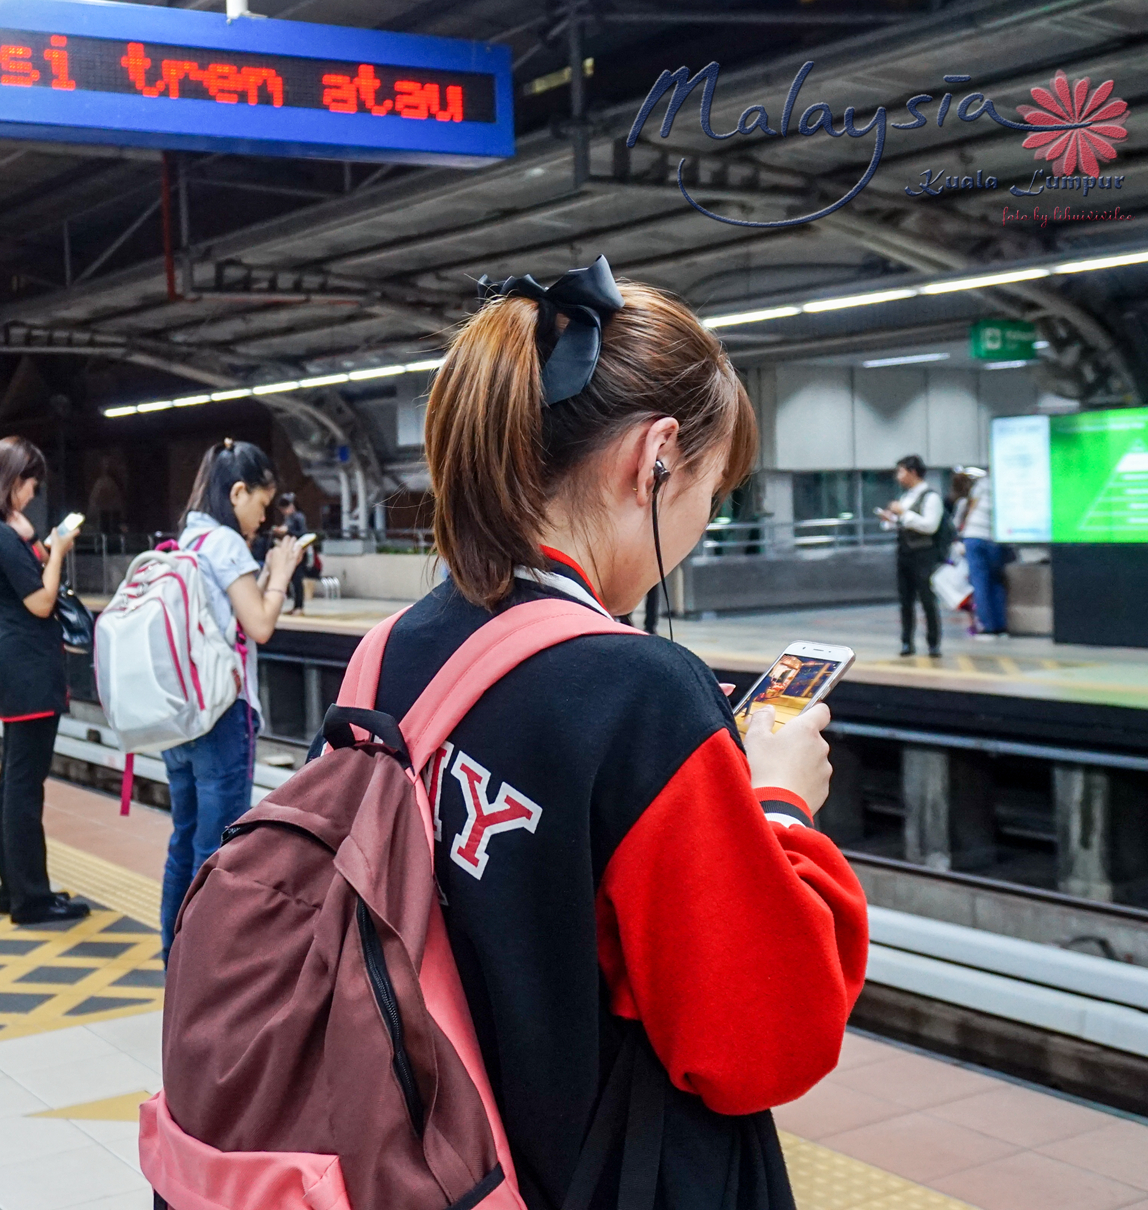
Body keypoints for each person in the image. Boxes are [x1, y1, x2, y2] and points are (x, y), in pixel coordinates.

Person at [355, 258, 865, 1207]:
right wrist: (779, 805)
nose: (704, 523)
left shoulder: (392, 652)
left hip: (425, 1162)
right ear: (656, 457)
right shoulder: (642, 696)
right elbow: (766, 1042)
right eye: (713, 489)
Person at [159, 439, 303, 952]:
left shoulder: (188, 539)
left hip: (179, 715)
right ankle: (206, 971)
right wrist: (280, 575)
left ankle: (175, 963)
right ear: (237, 492)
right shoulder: (224, 542)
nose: (263, 518)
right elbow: (259, 624)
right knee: (217, 852)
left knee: (183, 842)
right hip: (221, 717)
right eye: (261, 504)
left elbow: (230, 614)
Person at [0, 436, 88, 925]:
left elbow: (18, 580)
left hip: (9, 660)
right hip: (30, 666)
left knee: (12, 779)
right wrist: (59, 551)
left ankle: (12, 889)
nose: (33, 494)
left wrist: (35, 540)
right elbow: (40, 601)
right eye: (31, 484)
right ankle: (32, 899)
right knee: (25, 786)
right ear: (13, 479)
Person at [877, 454, 945, 658]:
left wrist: (904, 514)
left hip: (924, 554)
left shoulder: (931, 497)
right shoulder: (906, 497)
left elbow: (930, 526)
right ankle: (907, 641)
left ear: (913, 472)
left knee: (927, 599)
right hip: (904, 553)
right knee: (905, 600)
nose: (898, 477)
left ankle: (933, 642)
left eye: (901, 472)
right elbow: (900, 523)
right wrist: (890, 519)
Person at [957, 469, 1009, 638]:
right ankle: (1001, 626)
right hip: (995, 537)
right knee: (996, 581)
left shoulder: (983, 483)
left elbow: (971, 508)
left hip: (974, 536)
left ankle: (987, 626)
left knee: (980, 582)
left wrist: (962, 531)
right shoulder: (1006, 484)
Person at [276, 492, 309, 614]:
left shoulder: (298, 517)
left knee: (297, 579)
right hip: (291, 551)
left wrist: (288, 531)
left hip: (299, 551)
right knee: (293, 580)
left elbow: (302, 533)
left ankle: (299, 606)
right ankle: (296, 606)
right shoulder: (289, 518)